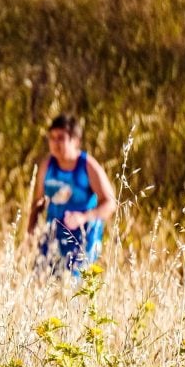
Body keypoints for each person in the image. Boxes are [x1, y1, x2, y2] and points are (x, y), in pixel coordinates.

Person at [27, 114, 117, 274]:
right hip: (53, 234)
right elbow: (38, 202)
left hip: (83, 238)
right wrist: (30, 231)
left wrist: (83, 217)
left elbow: (110, 203)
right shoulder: (47, 166)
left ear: (75, 140)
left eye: (61, 137)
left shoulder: (88, 166)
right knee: (40, 281)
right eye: (52, 137)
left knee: (72, 289)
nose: (55, 143)